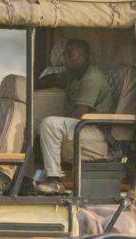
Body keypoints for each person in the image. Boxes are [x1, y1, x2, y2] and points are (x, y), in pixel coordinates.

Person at [34, 39, 113, 194]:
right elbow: (51, 79)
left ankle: (55, 180)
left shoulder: (92, 78)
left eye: (71, 55)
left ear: (86, 56)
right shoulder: (72, 74)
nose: (66, 59)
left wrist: (54, 128)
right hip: (80, 127)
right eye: (64, 55)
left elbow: (80, 112)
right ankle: (27, 177)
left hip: (95, 131)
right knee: (31, 123)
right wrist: (30, 84)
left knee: (50, 124)